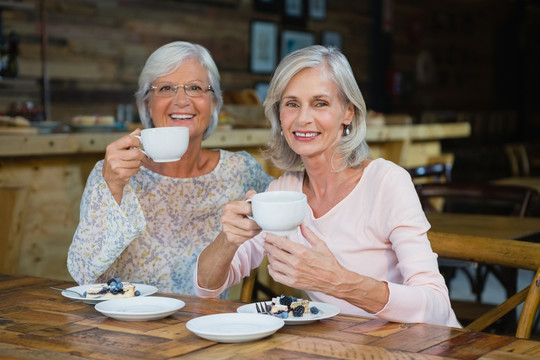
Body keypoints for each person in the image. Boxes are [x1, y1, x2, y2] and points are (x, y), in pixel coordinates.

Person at [194, 45, 460, 327]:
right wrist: (228, 239)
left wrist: (338, 282)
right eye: (291, 103)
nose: (302, 118)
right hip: (344, 348)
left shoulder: (386, 182)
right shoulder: (282, 194)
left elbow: (436, 308)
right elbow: (207, 287)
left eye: (320, 103)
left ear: (348, 112)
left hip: (421, 348)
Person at [67, 41, 273, 296]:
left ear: (214, 103)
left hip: (207, 325)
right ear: (147, 104)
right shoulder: (112, 172)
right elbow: (84, 275)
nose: (182, 100)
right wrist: (112, 187)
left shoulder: (241, 170)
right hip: (125, 324)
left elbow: (297, 210)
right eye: (165, 88)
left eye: (195, 88)